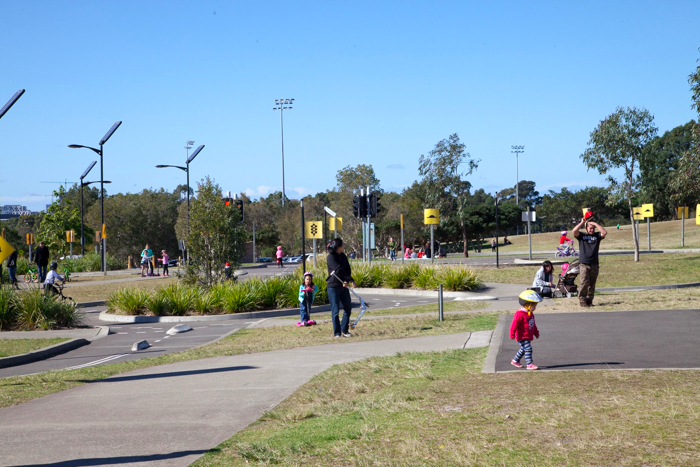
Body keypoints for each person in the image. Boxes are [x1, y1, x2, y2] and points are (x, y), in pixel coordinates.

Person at [573, 212, 607, 307]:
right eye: (590, 228)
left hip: (594, 263)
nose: (592, 230)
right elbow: (574, 231)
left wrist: (595, 223)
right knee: (584, 281)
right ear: (586, 229)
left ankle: (589, 299)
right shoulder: (582, 236)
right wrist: (582, 222)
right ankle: (582, 299)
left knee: (592, 283)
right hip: (584, 263)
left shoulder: (597, 236)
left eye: (593, 228)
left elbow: (604, 233)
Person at [326, 238, 355, 338]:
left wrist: (347, 280)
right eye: (342, 245)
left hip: (343, 286)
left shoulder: (343, 256)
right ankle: (337, 332)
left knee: (348, 308)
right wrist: (347, 280)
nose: (344, 246)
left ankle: (344, 330)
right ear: (338, 247)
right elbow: (338, 271)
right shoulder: (330, 257)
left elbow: (347, 269)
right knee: (335, 311)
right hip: (333, 286)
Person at [510, 290, 542, 370]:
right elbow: (514, 325)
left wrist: (536, 333)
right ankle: (530, 364)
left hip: (527, 335)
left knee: (523, 349)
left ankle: (515, 361)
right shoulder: (519, 314)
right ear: (527, 305)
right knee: (528, 349)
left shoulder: (530, 314)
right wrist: (512, 334)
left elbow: (533, 324)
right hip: (521, 336)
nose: (535, 308)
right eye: (533, 306)